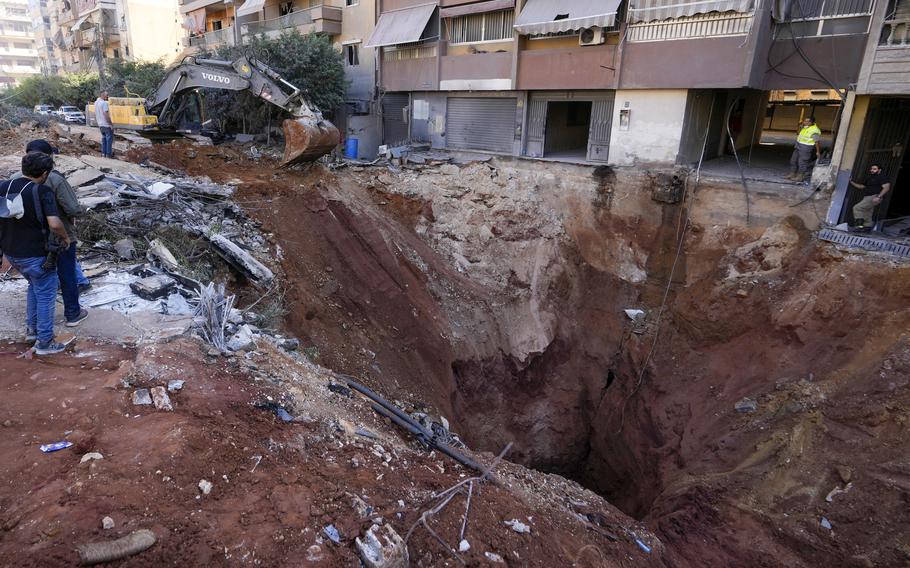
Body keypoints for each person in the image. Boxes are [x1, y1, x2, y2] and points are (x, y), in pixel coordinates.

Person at [0, 152, 71, 355]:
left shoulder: (4, 186)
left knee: (34, 287)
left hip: (12, 253)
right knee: (46, 294)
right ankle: (45, 342)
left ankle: (32, 331)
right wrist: (65, 239)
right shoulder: (42, 191)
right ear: (45, 172)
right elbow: (55, 224)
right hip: (37, 255)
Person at [13, 139, 89, 326]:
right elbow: (72, 208)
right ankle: (72, 314)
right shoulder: (54, 178)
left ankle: (34, 325)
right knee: (67, 275)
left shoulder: (14, 179)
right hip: (59, 238)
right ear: (48, 158)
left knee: (37, 283)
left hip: (29, 241)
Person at [849, 164, 891, 230]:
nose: (872, 170)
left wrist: (879, 197)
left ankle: (859, 226)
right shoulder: (870, 178)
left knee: (857, 208)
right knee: (867, 211)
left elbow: (887, 187)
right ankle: (867, 226)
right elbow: (861, 186)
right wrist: (851, 182)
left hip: (874, 196)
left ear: (879, 170)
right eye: (871, 169)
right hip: (867, 197)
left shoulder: (882, 177)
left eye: (874, 169)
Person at [785, 116, 822, 182]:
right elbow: (798, 133)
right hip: (798, 146)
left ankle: (800, 176)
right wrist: (799, 127)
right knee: (793, 160)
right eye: (805, 121)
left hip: (806, 148)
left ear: (812, 122)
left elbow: (817, 142)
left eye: (808, 121)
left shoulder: (815, 130)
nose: (805, 122)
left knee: (802, 162)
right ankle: (792, 173)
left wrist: (818, 152)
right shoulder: (804, 127)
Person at [94, 90, 113, 158]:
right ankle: (108, 155)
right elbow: (106, 114)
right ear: (102, 95)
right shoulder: (104, 103)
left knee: (104, 139)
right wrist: (110, 124)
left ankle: (103, 154)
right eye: (106, 95)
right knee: (109, 140)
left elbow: (95, 114)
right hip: (106, 124)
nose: (107, 96)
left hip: (100, 124)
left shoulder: (96, 103)